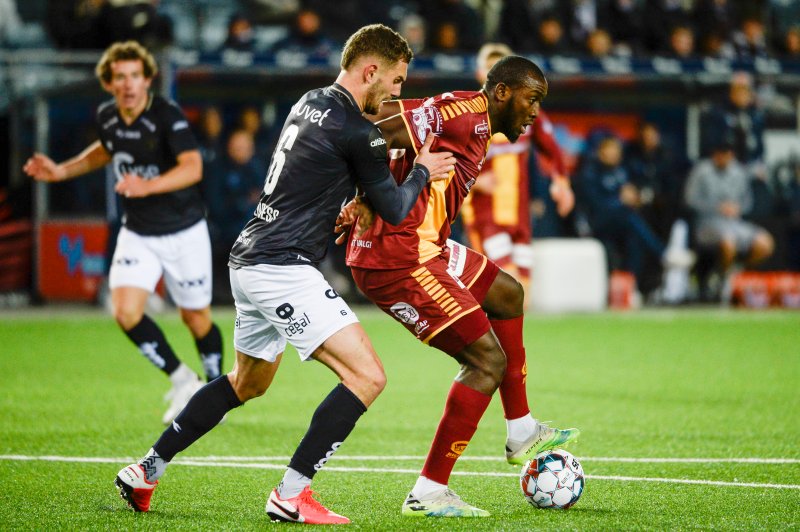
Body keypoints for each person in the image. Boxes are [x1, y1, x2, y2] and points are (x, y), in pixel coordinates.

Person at [111, 24, 456, 524]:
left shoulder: (309, 101)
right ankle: (292, 494)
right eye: (398, 81)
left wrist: (342, 205)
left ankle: (146, 471)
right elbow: (399, 210)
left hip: (248, 258)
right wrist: (423, 168)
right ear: (371, 70)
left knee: (246, 383)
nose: (397, 93)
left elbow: (310, 175)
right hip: (280, 267)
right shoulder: (360, 131)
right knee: (367, 375)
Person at [341, 55, 579, 518]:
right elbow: (373, 125)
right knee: (487, 361)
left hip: (427, 243)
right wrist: (353, 195)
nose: (534, 112)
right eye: (532, 100)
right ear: (503, 93)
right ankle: (428, 490)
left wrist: (365, 192)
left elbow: (391, 140)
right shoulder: (463, 113)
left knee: (508, 293)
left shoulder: (476, 122)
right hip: (398, 257)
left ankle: (521, 428)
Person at [23, 41, 223, 424]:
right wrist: (62, 171)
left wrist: (147, 186)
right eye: (120, 78)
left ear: (148, 79)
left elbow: (192, 167)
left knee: (195, 319)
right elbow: (106, 149)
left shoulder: (166, 115)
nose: (129, 84)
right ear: (109, 84)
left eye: (135, 75)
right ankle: (183, 380)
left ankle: (215, 393)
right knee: (126, 311)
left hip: (184, 230)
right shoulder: (108, 117)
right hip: (139, 231)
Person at [460, 43, 574, 308]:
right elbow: (446, 161)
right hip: (484, 214)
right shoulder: (468, 115)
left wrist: (562, 183)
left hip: (519, 216)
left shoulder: (528, 113)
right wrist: (476, 182)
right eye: (491, 69)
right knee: (505, 279)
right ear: (481, 75)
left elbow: (552, 150)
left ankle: (514, 344)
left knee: (523, 284)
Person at [684, 140, 774, 299]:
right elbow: (689, 200)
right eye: (721, 155)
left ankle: (732, 272)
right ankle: (719, 280)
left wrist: (737, 208)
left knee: (765, 243)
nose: (724, 159)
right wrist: (717, 207)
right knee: (728, 242)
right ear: (715, 155)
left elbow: (747, 203)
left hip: (734, 223)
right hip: (707, 223)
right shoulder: (702, 171)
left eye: (728, 155)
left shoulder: (738, 171)